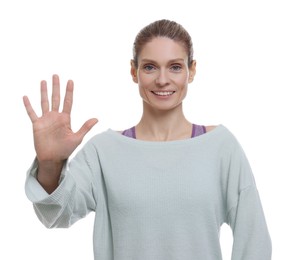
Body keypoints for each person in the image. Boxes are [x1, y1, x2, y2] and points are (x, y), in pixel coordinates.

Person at [23, 19, 272, 259]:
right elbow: (55, 213)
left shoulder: (221, 147)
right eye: (150, 67)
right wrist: (50, 164)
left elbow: (254, 240)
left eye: (175, 66)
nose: (162, 79)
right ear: (134, 71)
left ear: (191, 70)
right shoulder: (104, 152)